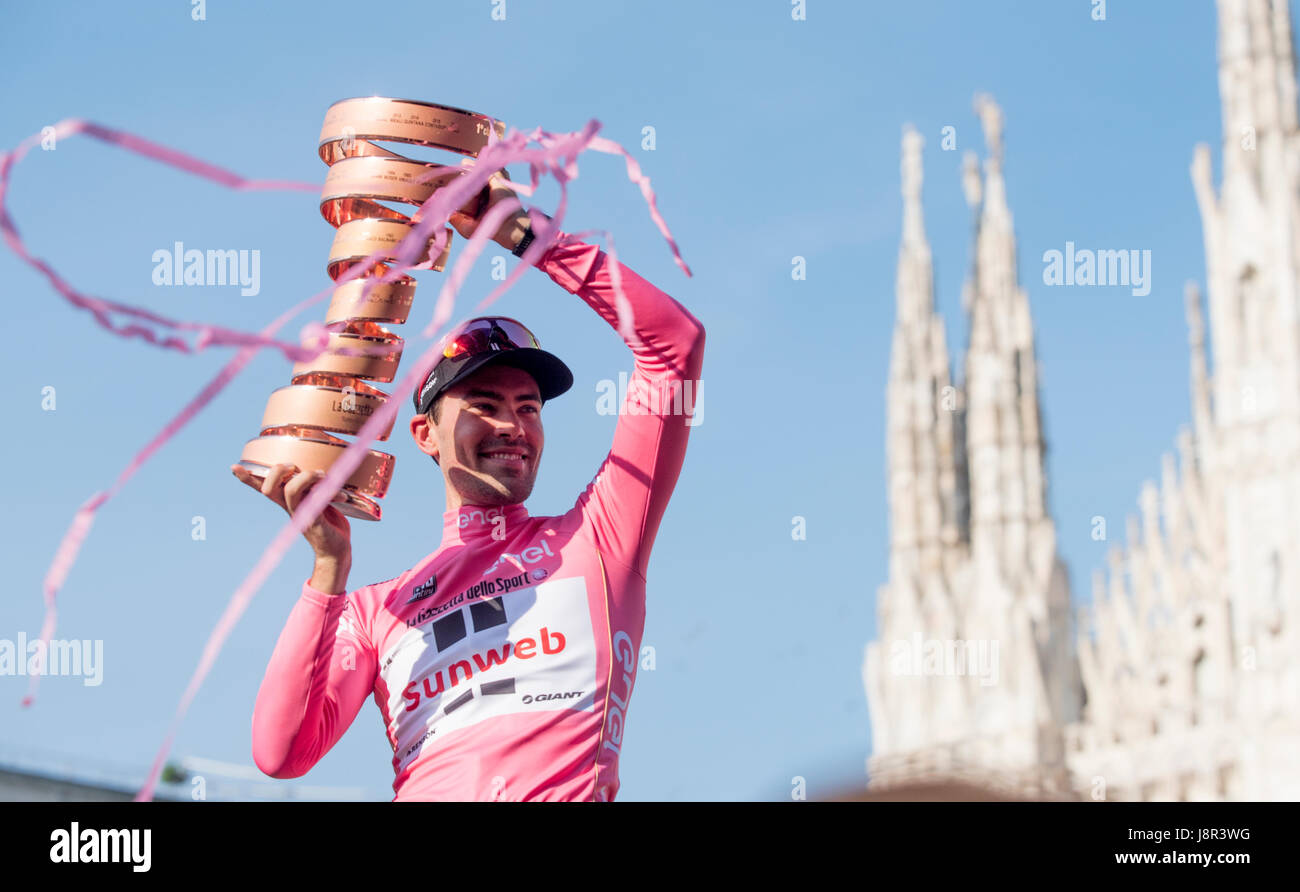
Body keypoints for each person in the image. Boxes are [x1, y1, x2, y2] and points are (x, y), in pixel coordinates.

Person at [230, 167, 705, 801]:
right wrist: (327, 571)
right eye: (483, 403)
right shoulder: (378, 610)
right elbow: (281, 754)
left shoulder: (600, 537)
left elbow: (674, 343)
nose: (512, 424)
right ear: (425, 434)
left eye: (529, 407)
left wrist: (529, 238)